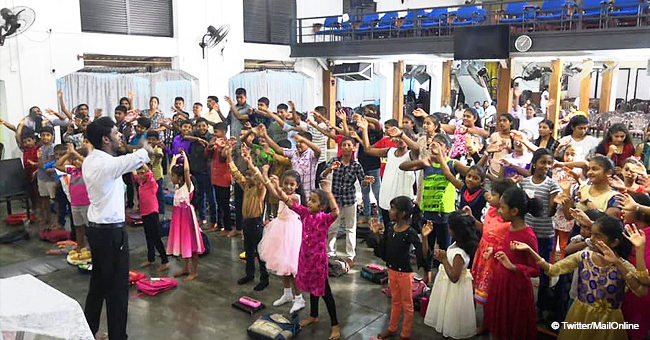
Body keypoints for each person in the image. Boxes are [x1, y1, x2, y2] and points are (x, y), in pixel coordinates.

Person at [512, 215, 646, 340]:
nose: (591, 239)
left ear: (614, 242)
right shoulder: (584, 256)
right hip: (580, 315)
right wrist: (530, 250)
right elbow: (552, 270)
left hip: (608, 321)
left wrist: (616, 263)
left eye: (598, 236)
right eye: (591, 234)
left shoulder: (623, 265)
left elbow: (640, 291)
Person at [83, 117, 152, 340]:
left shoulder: (90, 160)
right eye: (115, 132)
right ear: (105, 139)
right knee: (117, 291)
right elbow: (137, 157)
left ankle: (86, 332)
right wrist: (145, 146)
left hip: (96, 230)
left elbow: (125, 158)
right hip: (110, 233)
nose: (119, 135)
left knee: (98, 286)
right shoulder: (106, 165)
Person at [280, 179, 341, 340]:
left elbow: (336, 213)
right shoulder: (305, 214)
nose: (309, 203)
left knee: (324, 292)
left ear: (321, 207)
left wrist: (328, 191)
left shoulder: (324, 218)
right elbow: (288, 202)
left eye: (313, 201)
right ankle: (314, 315)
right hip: (306, 259)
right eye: (309, 199)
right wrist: (271, 184)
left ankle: (335, 325)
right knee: (313, 289)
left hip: (318, 261)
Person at [482, 187, 541, 340]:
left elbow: (535, 270)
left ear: (514, 211)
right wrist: (494, 251)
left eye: (502, 207)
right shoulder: (510, 228)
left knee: (512, 326)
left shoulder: (528, 236)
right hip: (502, 284)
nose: (498, 210)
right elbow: (507, 250)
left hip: (516, 290)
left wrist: (514, 267)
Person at [368, 197, 430, 340]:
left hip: (404, 274)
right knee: (395, 301)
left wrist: (425, 238)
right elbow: (383, 249)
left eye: (392, 208)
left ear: (402, 214)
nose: (389, 211)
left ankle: (405, 334)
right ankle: (392, 328)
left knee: (407, 305)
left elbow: (424, 253)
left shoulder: (410, 232)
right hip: (391, 271)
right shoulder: (390, 227)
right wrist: (377, 233)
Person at [255, 167, 306, 313]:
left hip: (291, 232)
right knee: (282, 266)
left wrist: (276, 185)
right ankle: (287, 293)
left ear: (297, 186)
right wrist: (265, 175)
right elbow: (273, 192)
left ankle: (299, 298)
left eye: (292, 184)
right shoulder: (281, 191)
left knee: (291, 268)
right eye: (286, 183)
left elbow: (280, 194)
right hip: (280, 229)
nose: (289, 187)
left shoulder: (296, 198)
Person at [518, 148, 561, 319]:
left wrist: (555, 204)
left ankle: (540, 305)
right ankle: (521, 302)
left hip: (544, 235)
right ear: (534, 163)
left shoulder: (552, 184)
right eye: (543, 162)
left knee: (543, 270)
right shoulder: (524, 182)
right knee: (522, 268)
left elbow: (550, 213)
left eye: (549, 163)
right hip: (527, 233)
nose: (546, 166)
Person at [425, 211, 478, 339]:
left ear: (455, 231)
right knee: (447, 309)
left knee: (452, 313)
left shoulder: (459, 253)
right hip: (447, 284)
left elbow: (454, 277)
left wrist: (443, 259)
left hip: (454, 287)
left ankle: (451, 333)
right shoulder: (457, 244)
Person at [322, 137, 373, 267]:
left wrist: (366, 182)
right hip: (335, 200)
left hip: (350, 199)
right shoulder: (334, 161)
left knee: (351, 228)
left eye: (349, 145)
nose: (346, 147)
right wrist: (330, 169)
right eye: (343, 145)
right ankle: (330, 253)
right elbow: (323, 175)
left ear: (354, 148)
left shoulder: (356, 165)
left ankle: (350, 255)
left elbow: (362, 183)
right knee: (333, 227)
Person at [360, 118, 418, 226]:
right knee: (388, 230)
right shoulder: (390, 151)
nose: (399, 140)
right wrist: (364, 129)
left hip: (402, 201)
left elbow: (417, 149)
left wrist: (401, 134)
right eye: (396, 138)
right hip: (386, 197)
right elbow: (368, 149)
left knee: (403, 229)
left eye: (402, 138)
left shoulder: (410, 154)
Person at [227, 143, 269, 291]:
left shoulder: (260, 189)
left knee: (260, 252)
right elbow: (236, 173)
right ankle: (249, 274)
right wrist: (229, 157)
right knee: (248, 251)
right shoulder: (246, 186)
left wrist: (250, 163)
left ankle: (264, 279)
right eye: (247, 175)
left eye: (250, 175)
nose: (247, 177)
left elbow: (259, 178)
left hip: (256, 223)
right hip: (246, 223)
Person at [470, 179, 517, 305]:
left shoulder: (508, 220)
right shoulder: (490, 210)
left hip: (495, 258)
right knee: (477, 287)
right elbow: (485, 229)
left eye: (494, 194)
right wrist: (471, 218)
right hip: (483, 253)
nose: (490, 197)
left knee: (491, 292)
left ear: (504, 198)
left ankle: (489, 321)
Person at [166, 150, 205, 281]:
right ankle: (186, 268)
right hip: (179, 218)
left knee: (192, 244)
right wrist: (175, 158)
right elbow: (171, 169)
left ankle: (194, 271)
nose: (171, 177)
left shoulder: (188, 186)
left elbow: (186, 171)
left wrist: (185, 158)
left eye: (173, 176)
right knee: (183, 243)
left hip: (188, 218)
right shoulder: (177, 185)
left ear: (181, 177)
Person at [619, 194, 650, 340]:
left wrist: (637, 207)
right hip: (623, 295)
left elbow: (645, 281)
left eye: (627, 207)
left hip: (642, 299)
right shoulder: (627, 231)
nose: (622, 210)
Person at [132, 163, 169, 271]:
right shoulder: (141, 184)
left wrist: (141, 160)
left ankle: (165, 261)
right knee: (148, 237)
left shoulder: (151, 183)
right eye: (138, 174)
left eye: (142, 173)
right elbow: (133, 172)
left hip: (152, 213)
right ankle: (151, 258)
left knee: (156, 237)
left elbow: (148, 171)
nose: (140, 175)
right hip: (144, 213)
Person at [55, 144, 89, 250]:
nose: (76, 162)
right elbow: (57, 165)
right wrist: (68, 154)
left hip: (87, 204)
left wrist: (75, 153)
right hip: (75, 204)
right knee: (78, 226)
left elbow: (88, 164)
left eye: (79, 160)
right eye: (74, 160)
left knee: (90, 228)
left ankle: (93, 246)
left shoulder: (88, 170)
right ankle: (80, 245)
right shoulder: (72, 170)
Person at [185, 118, 215, 228]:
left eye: (203, 126)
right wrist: (197, 139)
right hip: (196, 170)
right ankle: (202, 218)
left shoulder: (211, 137)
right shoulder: (195, 135)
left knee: (211, 197)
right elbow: (184, 136)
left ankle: (213, 220)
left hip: (207, 171)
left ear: (207, 127)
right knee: (199, 196)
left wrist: (207, 143)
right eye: (199, 126)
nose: (201, 128)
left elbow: (211, 149)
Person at [206, 123, 233, 235]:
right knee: (218, 203)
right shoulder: (214, 142)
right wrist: (210, 146)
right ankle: (219, 224)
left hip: (224, 179)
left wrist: (222, 146)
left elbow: (224, 158)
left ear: (224, 132)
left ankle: (227, 228)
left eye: (217, 132)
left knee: (224, 204)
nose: (215, 134)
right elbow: (208, 155)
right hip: (215, 177)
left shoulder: (228, 143)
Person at [36, 125, 56, 226]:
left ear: (52, 136)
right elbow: (40, 166)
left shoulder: (53, 148)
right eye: (43, 135)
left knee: (54, 200)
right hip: (41, 177)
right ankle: (47, 218)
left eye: (48, 135)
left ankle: (56, 222)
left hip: (50, 179)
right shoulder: (40, 148)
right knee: (44, 199)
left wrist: (39, 161)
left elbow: (44, 165)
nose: (45, 137)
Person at [146, 131, 166, 217]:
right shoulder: (145, 148)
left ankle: (161, 212)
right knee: (151, 194)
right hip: (148, 175)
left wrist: (150, 151)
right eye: (149, 139)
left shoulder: (158, 149)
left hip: (157, 175)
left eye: (153, 139)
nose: (151, 141)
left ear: (157, 140)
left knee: (159, 194)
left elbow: (160, 154)